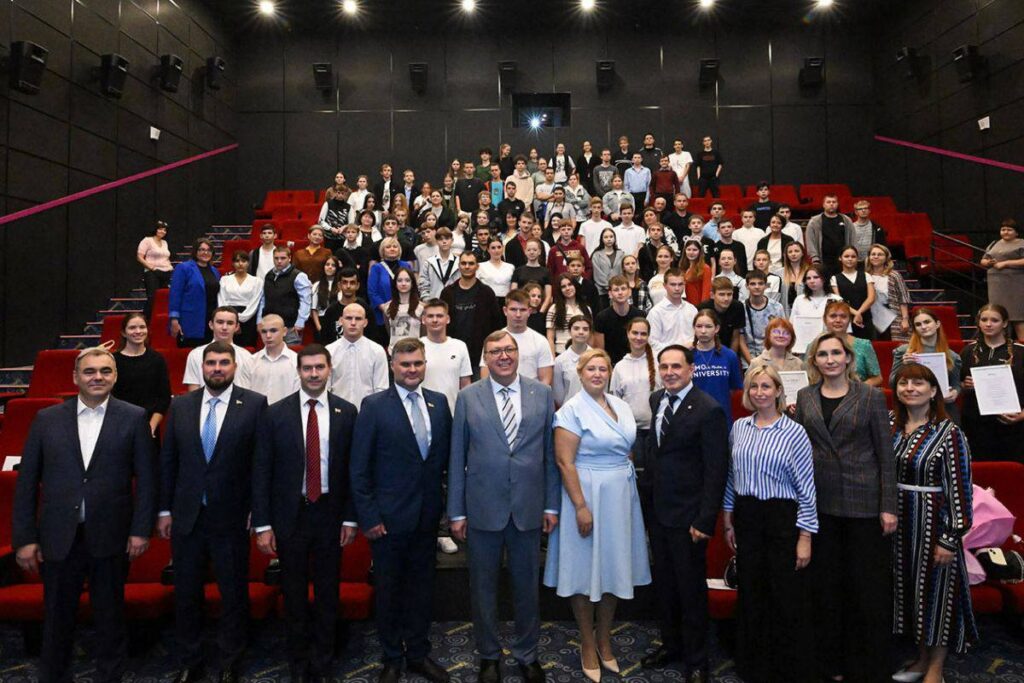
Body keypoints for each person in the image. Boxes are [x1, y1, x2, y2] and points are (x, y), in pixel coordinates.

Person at [12, 347, 157, 683]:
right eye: (90, 371)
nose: (97, 377)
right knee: (56, 620)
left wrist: (141, 530)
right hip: (58, 536)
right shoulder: (46, 419)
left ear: (115, 376)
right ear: (75, 377)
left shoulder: (134, 417)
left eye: (105, 371)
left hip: (111, 535)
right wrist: (24, 538)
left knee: (110, 620)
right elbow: (27, 482)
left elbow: (148, 480)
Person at [448, 330, 560, 683]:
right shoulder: (468, 397)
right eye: (495, 351)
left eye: (509, 349)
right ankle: (489, 656)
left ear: (518, 353)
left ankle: (528, 654)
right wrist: (456, 511)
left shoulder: (542, 394)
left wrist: (552, 506)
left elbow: (550, 455)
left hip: (529, 508)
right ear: (485, 358)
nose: (503, 356)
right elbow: (457, 457)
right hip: (482, 509)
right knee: (483, 589)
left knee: (527, 589)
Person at [158, 342, 268, 683]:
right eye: (211, 363)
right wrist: (164, 509)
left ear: (234, 366)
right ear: (202, 367)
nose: (217, 368)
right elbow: (169, 460)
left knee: (232, 593)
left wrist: (258, 510)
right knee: (186, 593)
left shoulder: (254, 404)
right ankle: (190, 660)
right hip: (187, 516)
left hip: (232, 516)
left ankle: (230, 660)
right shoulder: (181, 405)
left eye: (223, 362)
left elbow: (260, 464)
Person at [793, 333, 897, 683]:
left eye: (836, 353)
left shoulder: (870, 396)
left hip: (863, 504)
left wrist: (888, 506)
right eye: (823, 354)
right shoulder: (805, 396)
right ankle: (829, 663)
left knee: (864, 589)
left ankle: (865, 665)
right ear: (814, 361)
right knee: (827, 589)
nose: (830, 359)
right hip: (820, 504)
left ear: (849, 358)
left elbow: (886, 455)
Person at [252, 344, 358, 683]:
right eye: (307, 368)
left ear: (329, 370)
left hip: (330, 514)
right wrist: (263, 523)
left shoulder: (347, 412)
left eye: (319, 368)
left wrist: (350, 517)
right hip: (290, 515)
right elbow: (262, 470)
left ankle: (323, 663)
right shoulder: (275, 414)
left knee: (328, 593)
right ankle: (297, 664)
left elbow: (353, 470)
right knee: (294, 595)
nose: (313, 374)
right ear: (298, 371)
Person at [543, 348, 651, 681]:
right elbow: (564, 462)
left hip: (620, 495)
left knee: (614, 566)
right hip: (586, 494)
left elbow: (626, 448)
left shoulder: (620, 406)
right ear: (580, 373)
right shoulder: (571, 410)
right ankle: (587, 644)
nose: (597, 374)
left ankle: (605, 639)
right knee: (583, 567)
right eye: (591, 369)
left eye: (603, 369)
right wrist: (580, 506)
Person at [350, 338, 454, 683]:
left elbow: (445, 463)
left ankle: (419, 654)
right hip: (387, 521)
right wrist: (369, 517)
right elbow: (359, 468)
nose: (412, 370)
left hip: (427, 518)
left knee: (422, 591)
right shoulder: (374, 406)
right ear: (393, 366)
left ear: (425, 365)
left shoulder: (439, 403)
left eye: (417, 363)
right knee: (390, 592)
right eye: (405, 364)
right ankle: (392, 657)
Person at [723, 364, 817, 683]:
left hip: (782, 518)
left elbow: (807, 487)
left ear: (778, 391)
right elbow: (732, 475)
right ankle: (754, 665)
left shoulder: (795, 432)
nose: (759, 392)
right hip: (747, 515)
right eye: (754, 386)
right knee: (752, 590)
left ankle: (784, 668)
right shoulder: (739, 427)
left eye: (766, 386)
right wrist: (728, 518)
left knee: (783, 593)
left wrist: (805, 536)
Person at [641, 345, 729, 683]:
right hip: (659, 514)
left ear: (691, 369)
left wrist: (705, 520)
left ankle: (697, 660)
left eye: (676, 366)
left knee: (691, 591)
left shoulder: (709, 409)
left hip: (690, 519)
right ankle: (671, 645)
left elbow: (716, 470)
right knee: (665, 586)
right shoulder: (656, 400)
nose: (669, 372)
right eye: (664, 366)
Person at [890, 363, 977, 683]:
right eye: (904, 383)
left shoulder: (948, 432)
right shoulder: (891, 425)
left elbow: (961, 488)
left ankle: (936, 669)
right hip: (898, 525)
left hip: (934, 526)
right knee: (912, 595)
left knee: (938, 596)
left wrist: (950, 537)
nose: (910, 388)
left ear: (933, 391)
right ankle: (921, 659)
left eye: (918, 383)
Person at [959, 303, 1024, 461]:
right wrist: (964, 385)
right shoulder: (968, 351)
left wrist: (1023, 415)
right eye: (984, 320)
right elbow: (957, 386)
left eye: (994, 320)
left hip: (1013, 426)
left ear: (1005, 323)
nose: (988, 324)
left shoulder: (1020, 351)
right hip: (976, 425)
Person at [610, 317, 660, 509]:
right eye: (635, 333)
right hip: (632, 433)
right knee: (636, 481)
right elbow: (614, 403)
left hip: (656, 431)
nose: (639, 337)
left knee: (656, 479)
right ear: (628, 334)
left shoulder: (658, 362)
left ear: (648, 336)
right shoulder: (620, 367)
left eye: (643, 334)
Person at [890, 308, 962, 419]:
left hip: (943, 409)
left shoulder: (952, 356)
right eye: (918, 324)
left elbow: (956, 384)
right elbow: (892, 382)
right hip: (913, 409)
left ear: (937, 324)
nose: (923, 327)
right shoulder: (904, 351)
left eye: (927, 322)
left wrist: (955, 392)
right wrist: (903, 366)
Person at [440, 251, 503, 371]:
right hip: (452, 355)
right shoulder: (447, 293)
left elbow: (496, 325)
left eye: (471, 263)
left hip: (479, 357)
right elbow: (441, 324)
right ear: (459, 266)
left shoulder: (487, 293)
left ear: (477, 266)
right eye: (463, 263)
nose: (467, 266)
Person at [113, 312, 171, 438]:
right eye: (132, 328)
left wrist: (151, 427)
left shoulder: (157, 360)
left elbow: (164, 398)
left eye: (142, 327)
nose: (138, 331)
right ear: (123, 332)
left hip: (149, 425)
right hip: (118, 425)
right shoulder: (112, 361)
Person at [483, 289, 555, 385]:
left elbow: (545, 380)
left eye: (522, 310)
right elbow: (485, 377)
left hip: (531, 393)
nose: (518, 314)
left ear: (529, 311)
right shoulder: (493, 341)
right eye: (513, 309)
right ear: (505, 311)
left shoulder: (540, 341)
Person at [325, 303, 389, 408]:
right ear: (341, 321)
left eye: (358, 319)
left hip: (368, 412)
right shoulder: (329, 351)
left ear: (365, 322)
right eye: (349, 318)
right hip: (336, 411)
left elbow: (381, 389)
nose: (353, 323)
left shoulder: (377, 351)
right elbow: (325, 388)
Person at [181, 307, 254, 392]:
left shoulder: (246, 356)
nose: (224, 327)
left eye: (230, 323)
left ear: (237, 327)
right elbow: (194, 391)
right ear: (211, 325)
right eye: (220, 322)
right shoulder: (195, 354)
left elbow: (250, 389)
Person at [690, 309, 743, 423]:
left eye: (708, 326)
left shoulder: (729, 356)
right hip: (694, 418)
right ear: (694, 328)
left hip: (722, 416)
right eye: (699, 326)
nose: (703, 331)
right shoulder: (688, 356)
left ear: (717, 328)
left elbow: (735, 389)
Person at [420, 299, 472, 414]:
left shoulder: (460, 346)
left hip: (454, 413)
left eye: (439, 316)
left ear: (447, 319)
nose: (435, 320)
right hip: (424, 414)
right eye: (430, 316)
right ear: (423, 319)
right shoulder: (417, 346)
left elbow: (465, 385)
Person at [169, 238, 220, 347]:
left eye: (209, 250)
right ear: (195, 251)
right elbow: (175, 295)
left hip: (210, 319)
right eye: (201, 249)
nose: (205, 253)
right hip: (190, 319)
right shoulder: (184, 268)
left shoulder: (215, 271)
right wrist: (174, 319)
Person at [259, 247, 313, 346]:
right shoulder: (269, 275)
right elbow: (263, 299)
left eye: (283, 258)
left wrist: (300, 322)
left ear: (289, 258)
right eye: (276, 258)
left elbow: (305, 300)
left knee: (291, 354)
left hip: (290, 326)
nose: (279, 261)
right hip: (270, 326)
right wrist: (259, 320)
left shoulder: (299, 276)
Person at [980, 218, 1024, 340]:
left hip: (1016, 284)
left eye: (1009, 230)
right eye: (1003, 229)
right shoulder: (994, 243)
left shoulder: (1021, 243)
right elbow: (983, 260)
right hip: (996, 286)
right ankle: (1001, 347)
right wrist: (988, 262)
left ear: (1016, 232)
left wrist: (1005, 263)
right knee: (998, 316)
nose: (1005, 232)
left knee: (1018, 317)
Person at [822, 301, 882, 386]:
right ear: (824, 319)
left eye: (843, 316)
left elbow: (877, 378)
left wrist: (855, 389)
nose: (838, 320)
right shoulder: (815, 346)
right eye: (833, 316)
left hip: (858, 392)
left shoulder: (864, 345)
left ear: (849, 320)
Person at [368, 238, 412, 347]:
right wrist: (385, 308)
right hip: (382, 315)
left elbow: (413, 288)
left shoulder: (406, 266)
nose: (392, 249)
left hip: (404, 314)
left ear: (399, 249)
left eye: (395, 246)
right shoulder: (376, 268)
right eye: (388, 247)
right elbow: (372, 292)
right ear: (382, 251)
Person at [593, 276, 645, 364]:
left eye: (623, 289)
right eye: (616, 290)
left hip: (637, 362)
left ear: (629, 292)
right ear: (610, 294)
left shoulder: (640, 316)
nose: (620, 293)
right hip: (611, 365)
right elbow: (600, 351)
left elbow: (644, 344)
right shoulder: (601, 318)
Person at [249, 314, 300, 404]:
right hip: (256, 411)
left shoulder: (296, 361)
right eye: (264, 331)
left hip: (286, 411)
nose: (268, 335)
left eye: (273, 331)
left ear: (284, 331)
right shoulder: (251, 360)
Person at [865, 243, 911, 341]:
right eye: (873, 254)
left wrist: (905, 319)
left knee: (892, 345)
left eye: (880, 254)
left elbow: (903, 298)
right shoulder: (864, 275)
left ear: (886, 258)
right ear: (869, 257)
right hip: (871, 315)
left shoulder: (894, 275)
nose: (876, 257)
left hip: (891, 314)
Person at [218, 251, 263, 347]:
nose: (240, 264)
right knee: (227, 347)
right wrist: (230, 318)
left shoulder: (257, 281)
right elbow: (221, 300)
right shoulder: (225, 279)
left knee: (247, 348)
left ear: (248, 263)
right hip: (227, 317)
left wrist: (240, 318)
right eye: (237, 261)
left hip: (249, 318)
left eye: (243, 261)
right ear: (233, 263)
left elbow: (254, 303)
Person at [830, 245, 876, 340]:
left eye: (853, 256)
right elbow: (839, 300)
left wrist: (859, 313)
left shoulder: (866, 275)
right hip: (845, 320)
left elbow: (871, 298)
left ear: (857, 259)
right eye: (846, 256)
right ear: (840, 258)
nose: (850, 259)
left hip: (865, 319)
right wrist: (855, 313)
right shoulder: (834, 278)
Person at [739, 270, 784, 364]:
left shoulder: (777, 307)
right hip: (749, 359)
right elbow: (741, 340)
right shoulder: (741, 308)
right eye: (753, 284)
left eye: (760, 283)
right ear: (747, 286)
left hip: (772, 358)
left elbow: (782, 335)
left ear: (766, 286)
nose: (757, 287)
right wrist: (753, 363)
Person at [805, 195, 855, 279]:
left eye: (834, 202)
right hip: (823, 261)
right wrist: (815, 258)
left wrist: (851, 255)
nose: (831, 204)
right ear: (823, 205)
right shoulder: (814, 221)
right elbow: (810, 241)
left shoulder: (846, 220)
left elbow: (852, 239)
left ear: (837, 204)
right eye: (828, 202)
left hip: (843, 261)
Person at [647, 269, 697, 352]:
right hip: (667, 356)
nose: (677, 288)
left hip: (692, 355)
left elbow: (699, 336)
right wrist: (679, 348)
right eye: (673, 284)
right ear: (665, 286)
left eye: (680, 284)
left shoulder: (692, 309)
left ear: (684, 285)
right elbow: (652, 343)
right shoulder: (656, 312)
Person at [695, 276, 744, 354]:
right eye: (721, 294)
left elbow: (735, 337)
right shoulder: (702, 308)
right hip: (707, 348)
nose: (726, 298)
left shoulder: (737, 307)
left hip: (728, 349)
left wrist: (731, 357)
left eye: (729, 294)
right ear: (712, 295)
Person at [547, 274, 593, 356]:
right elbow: (550, 338)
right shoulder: (554, 309)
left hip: (583, 354)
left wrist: (590, 355)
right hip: (561, 352)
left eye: (570, 284)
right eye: (563, 287)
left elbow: (590, 335)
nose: (567, 288)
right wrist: (553, 359)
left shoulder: (587, 309)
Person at [552, 315, 592, 407]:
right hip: (569, 409)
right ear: (569, 331)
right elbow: (558, 395)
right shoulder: (560, 361)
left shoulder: (597, 358)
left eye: (585, 329)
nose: (581, 332)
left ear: (590, 332)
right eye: (576, 328)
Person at [138, 220, 173, 319]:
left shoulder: (165, 242)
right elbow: (139, 257)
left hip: (166, 272)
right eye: (160, 229)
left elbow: (165, 257)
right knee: (152, 297)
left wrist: (170, 266)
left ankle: (159, 320)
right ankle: (146, 319)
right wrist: (152, 268)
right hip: (152, 272)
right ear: (156, 230)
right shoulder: (147, 240)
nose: (163, 232)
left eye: (165, 230)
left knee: (164, 298)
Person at [384, 267, 424, 353]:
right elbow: (389, 332)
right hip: (394, 353)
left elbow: (424, 334)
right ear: (395, 284)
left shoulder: (421, 307)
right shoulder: (387, 307)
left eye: (407, 280)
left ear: (412, 283)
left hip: (415, 353)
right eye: (399, 280)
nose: (403, 284)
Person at [419, 227, 460, 299]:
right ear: (436, 241)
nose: (444, 242)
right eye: (441, 239)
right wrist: (428, 301)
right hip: (434, 301)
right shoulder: (429, 263)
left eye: (447, 238)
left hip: (455, 302)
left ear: (452, 241)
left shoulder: (459, 262)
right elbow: (423, 285)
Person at [311, 255, 343, 338]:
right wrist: (319, 327)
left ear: (337, 268)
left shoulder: (341, 285)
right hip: (322, 321)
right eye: (327, 264)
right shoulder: (317, 285)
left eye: (333, 265)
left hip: (337, 321)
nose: (330, 267)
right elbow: (314, 309)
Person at [477, 238, 515, 303]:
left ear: (502, 248)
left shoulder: (510, 267)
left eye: (499, 247)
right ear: (488, 250)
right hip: (486, 301)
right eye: (493, 248)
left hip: (506, 302)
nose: (496, 250)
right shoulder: (480, 266)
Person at [781, 241, 810, 316]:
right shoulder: (779, 273)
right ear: (786, 255)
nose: (793, 254)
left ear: (802, 253)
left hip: (805, 312)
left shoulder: (810, 272)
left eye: (796, 251)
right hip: (785, 313)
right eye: (790, 252)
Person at [681, 239, 712, 305]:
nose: (691, 252)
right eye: (688, 249)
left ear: (700, 252)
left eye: (695, 250)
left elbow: (706, 292)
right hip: (685, 306)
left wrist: (702, 307)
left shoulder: (705, 268)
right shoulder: (683, 268)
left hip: (697, 306)